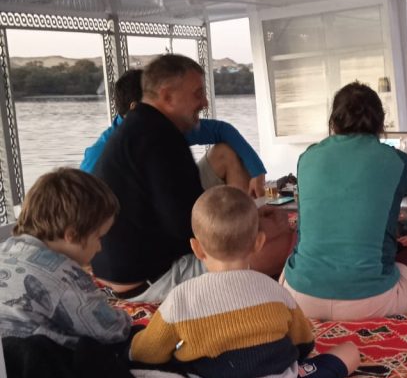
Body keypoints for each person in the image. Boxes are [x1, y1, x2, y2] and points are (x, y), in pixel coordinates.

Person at [130, 186, 359, 378]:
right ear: (259, 243)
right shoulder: (275, 290)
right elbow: (304, 343)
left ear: (197, 249)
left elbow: (146, 354)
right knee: (349, 351)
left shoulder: (179, 298)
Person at [92, 55, 293, 302]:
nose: (205, 102)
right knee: (288, 241)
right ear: (167, 96)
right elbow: (191, 231)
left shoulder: (141, 126)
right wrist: (253, 232)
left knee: (258, 224)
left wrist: (249, 219)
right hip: (147, 280)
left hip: (121, 270)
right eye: (198, 94)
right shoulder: (160, 141)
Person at [283, 81, 407, 319]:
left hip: (299, 298)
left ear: (333, 123)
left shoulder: (307, 157)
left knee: (303, 229)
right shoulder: (398, 160)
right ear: (381, 124)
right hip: (370, 301)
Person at [81, 69, 268, 198]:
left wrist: (257, 172)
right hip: (143, 222)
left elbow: (222, 130)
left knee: (225, 153)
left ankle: (244, 228)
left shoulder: (165, 127)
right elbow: (82, 202)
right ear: (136, 108)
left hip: (178, 198)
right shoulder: (100, 153)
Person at [0, 168, 131, 347]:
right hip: (28, 366)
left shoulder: (6, 248)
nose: (100, 248)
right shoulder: (65, 276)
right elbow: (112, 331)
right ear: (72, 236)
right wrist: (126, 320)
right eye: (99, 237)